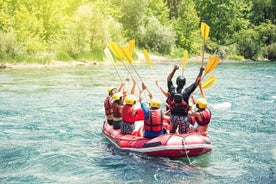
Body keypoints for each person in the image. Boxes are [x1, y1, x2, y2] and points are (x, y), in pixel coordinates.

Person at [167, 64, 204, 134]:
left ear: (176, 83)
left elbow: (168, 79)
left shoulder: (172, 90)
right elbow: (197, 83)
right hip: (183, 118)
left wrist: (174, 69)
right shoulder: (187, 91)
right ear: (184, 84)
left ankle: (171, 135)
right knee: (183, 134)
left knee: (171, 132)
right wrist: (201, 71)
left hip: (173, 117)